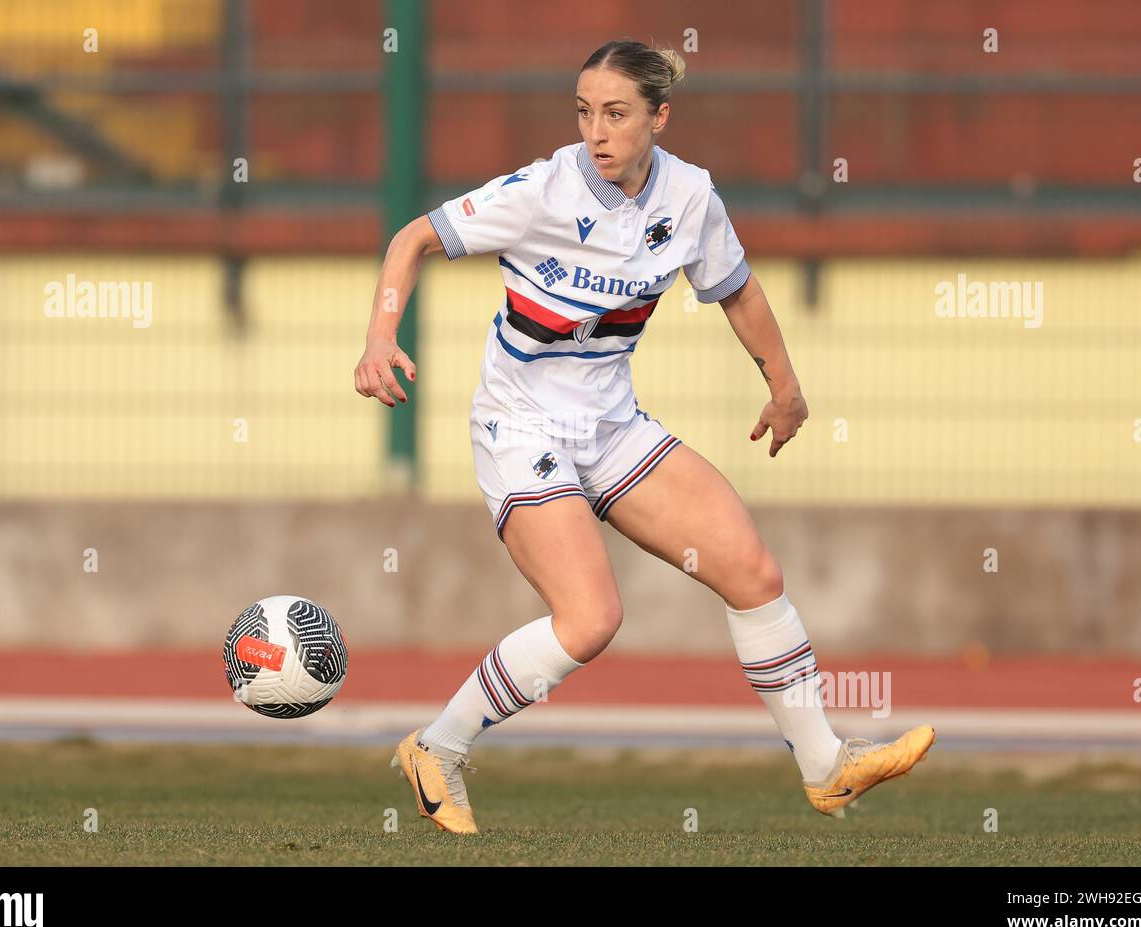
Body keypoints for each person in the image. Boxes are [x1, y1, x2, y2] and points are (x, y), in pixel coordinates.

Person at [355, 39, 934, 834]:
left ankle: (827, 768)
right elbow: (412, 238)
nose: (597, 131)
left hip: (613, 425)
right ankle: (437, 748)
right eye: (585, 112)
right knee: (590, 620)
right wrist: (379, 337)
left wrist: (786, 386)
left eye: (618, 114)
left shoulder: (690, 196)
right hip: (520, 428)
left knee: (753, 571)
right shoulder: (542, 189)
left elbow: (736, 291)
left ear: (660, 117)